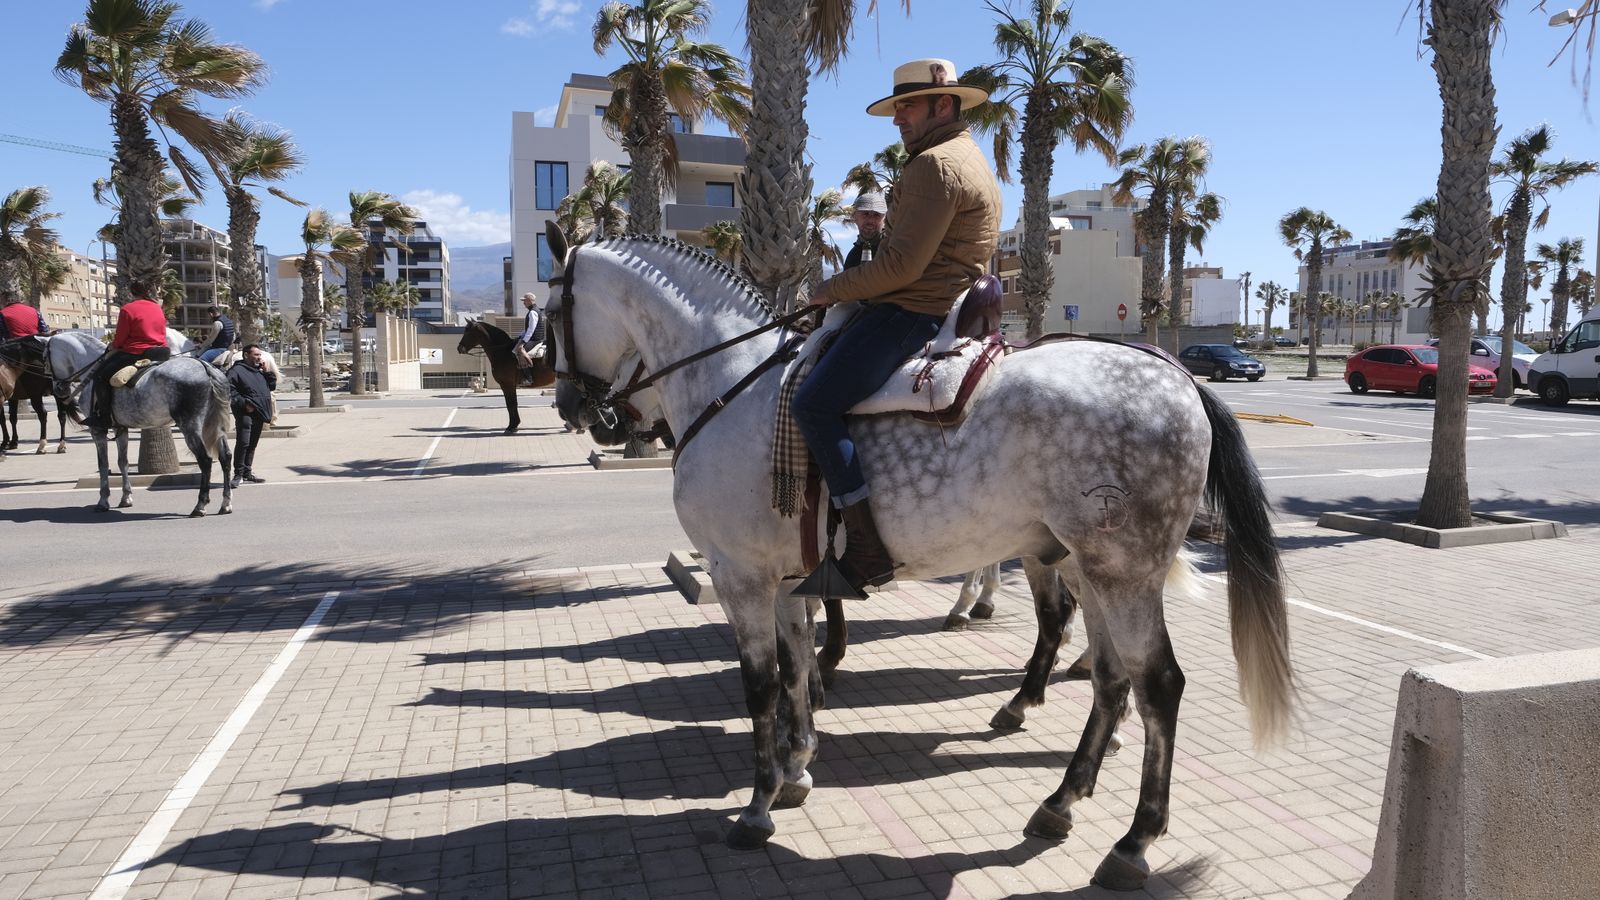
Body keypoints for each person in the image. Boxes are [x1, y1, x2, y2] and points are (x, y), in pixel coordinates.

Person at [792, 57, 1001, 596]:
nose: (897, 119)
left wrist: (829, 290)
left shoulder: (933, 165)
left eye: (907, 106)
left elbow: (900, 269)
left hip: (912, 311)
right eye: (896, 107)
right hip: (939, 303)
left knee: (813, 402)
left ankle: (864, 547)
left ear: (944, 104)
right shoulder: (970, 157)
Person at [86, 279, 171, 429]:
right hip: (161, 352)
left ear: (131, 292)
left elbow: (120, 338)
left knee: (100, 376)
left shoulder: (128, 309)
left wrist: (114, 345)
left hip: (137, 352)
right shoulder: (157, 308)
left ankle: (104, 418)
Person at [226, 343, 276, 486]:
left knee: (252, 444)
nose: (259, 357)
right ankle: (238, 475)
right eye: (256, 355)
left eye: (259, 355)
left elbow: (271, 386)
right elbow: (229, 389)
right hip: (245, 412)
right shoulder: (236, 371)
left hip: (259, 412)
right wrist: (244, 403)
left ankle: (247, 472)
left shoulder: (259, 371)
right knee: (243, 442)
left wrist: (267, 372)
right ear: (246, 355)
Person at [842, 190, 887, 270]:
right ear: (855, 217)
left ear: (885, 220)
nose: (870, 220)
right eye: (865, 214)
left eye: (877, 215)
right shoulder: (852, 257)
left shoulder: (892, 250)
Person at [512, 292, 545, 383]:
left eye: (525, 301)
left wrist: (522, 342)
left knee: (518, 351)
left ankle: (528, 378)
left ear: (530, 301)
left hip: (535, 339)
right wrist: (520, 336)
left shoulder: (533, 312)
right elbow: (527, 329)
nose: (523, 303)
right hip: (535, 338)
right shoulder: (535, 310)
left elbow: (531, 330)